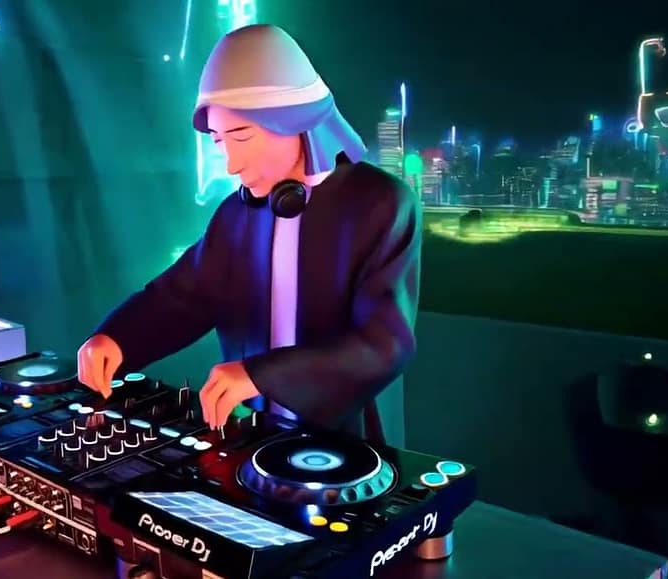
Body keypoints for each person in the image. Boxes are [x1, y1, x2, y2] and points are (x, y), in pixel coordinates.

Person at [77, 24, 421, 441]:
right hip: (254, 439)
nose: (231, 164)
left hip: (348, 444)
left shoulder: (381, 203)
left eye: (242, 136)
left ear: (297, 121)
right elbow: (184, 297)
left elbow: (383, 344)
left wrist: (261, 375)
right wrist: (118, 338)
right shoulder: (236, 214)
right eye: (220, 141)